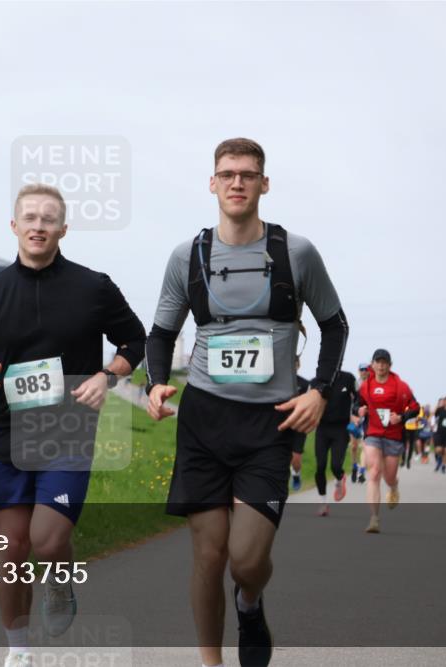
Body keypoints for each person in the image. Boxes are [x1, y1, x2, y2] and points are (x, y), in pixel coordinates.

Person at [144, 138, 348, 667]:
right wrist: (157, 383)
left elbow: (335, 325)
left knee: (246, 560)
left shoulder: (294, 252)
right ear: (212, 183)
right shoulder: (188, 255)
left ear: (264, 184)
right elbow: (162, 331)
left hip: (270, 424)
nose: (238, 183)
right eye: (228, 174)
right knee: (208, 557)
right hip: (205, 420)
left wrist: (319, 393)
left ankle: (250, 604)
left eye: (248, 175)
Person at [0, 183, 146, 667]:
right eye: (29, 217)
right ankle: (19, 652)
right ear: (14, 226)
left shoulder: (93, 287)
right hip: (8, 437)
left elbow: (134, 340)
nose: (38, 226)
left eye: (48, 219)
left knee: (49, 541)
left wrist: (106, 375)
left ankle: (59, 576)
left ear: (63, 229)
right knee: (11, 548)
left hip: (68, 431)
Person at [357, 349, 419, 534]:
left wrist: (401, 417)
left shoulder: (401, 386)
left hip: (393, 436)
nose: (381, 365)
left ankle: (394, 487)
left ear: (390, 365)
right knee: (374, 473)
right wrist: (360, 410)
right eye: (378, 362)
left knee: (388, 476)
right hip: (373, 434)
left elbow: (415, 408)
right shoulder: (365, 386)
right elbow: (357, 404)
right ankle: (374, 519)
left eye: (385, 362)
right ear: (373, 364)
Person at [313, 365, 358, 516]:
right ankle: (323, 503)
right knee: (320, 466)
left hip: (341, 429)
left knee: (335, 466)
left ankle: (340, 478)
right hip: (322, 429)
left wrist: (356, 412)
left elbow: (358, 398)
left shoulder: (348, 378)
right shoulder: (316, 382)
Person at [290, 359, 309, 492]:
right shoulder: (278, 383)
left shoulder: (305, 384)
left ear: (298, 365)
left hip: (299, 425)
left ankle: (296, 474)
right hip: (281, 425)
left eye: (294, 363)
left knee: (296, 460)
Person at [349, 363, 369, 484]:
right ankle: (354, 467)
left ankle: (362, 471)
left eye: (366, 369)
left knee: (365, 446)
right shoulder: (354, 385)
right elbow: (349, 403)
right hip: (355, 417)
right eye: (362, 369)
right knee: (354, 446)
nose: (364, 371)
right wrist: (352, 417)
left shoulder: (372, 384)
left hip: (367, 419)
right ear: (358, 371)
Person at [402, 405, 420, 469]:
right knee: (404, 445)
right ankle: (403, 459)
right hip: (404, 429)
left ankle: (408, 460)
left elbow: (419, 417)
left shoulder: (416, 407)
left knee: (411, 445)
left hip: (413, 429)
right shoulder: (404, 406)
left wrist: (418, 418)